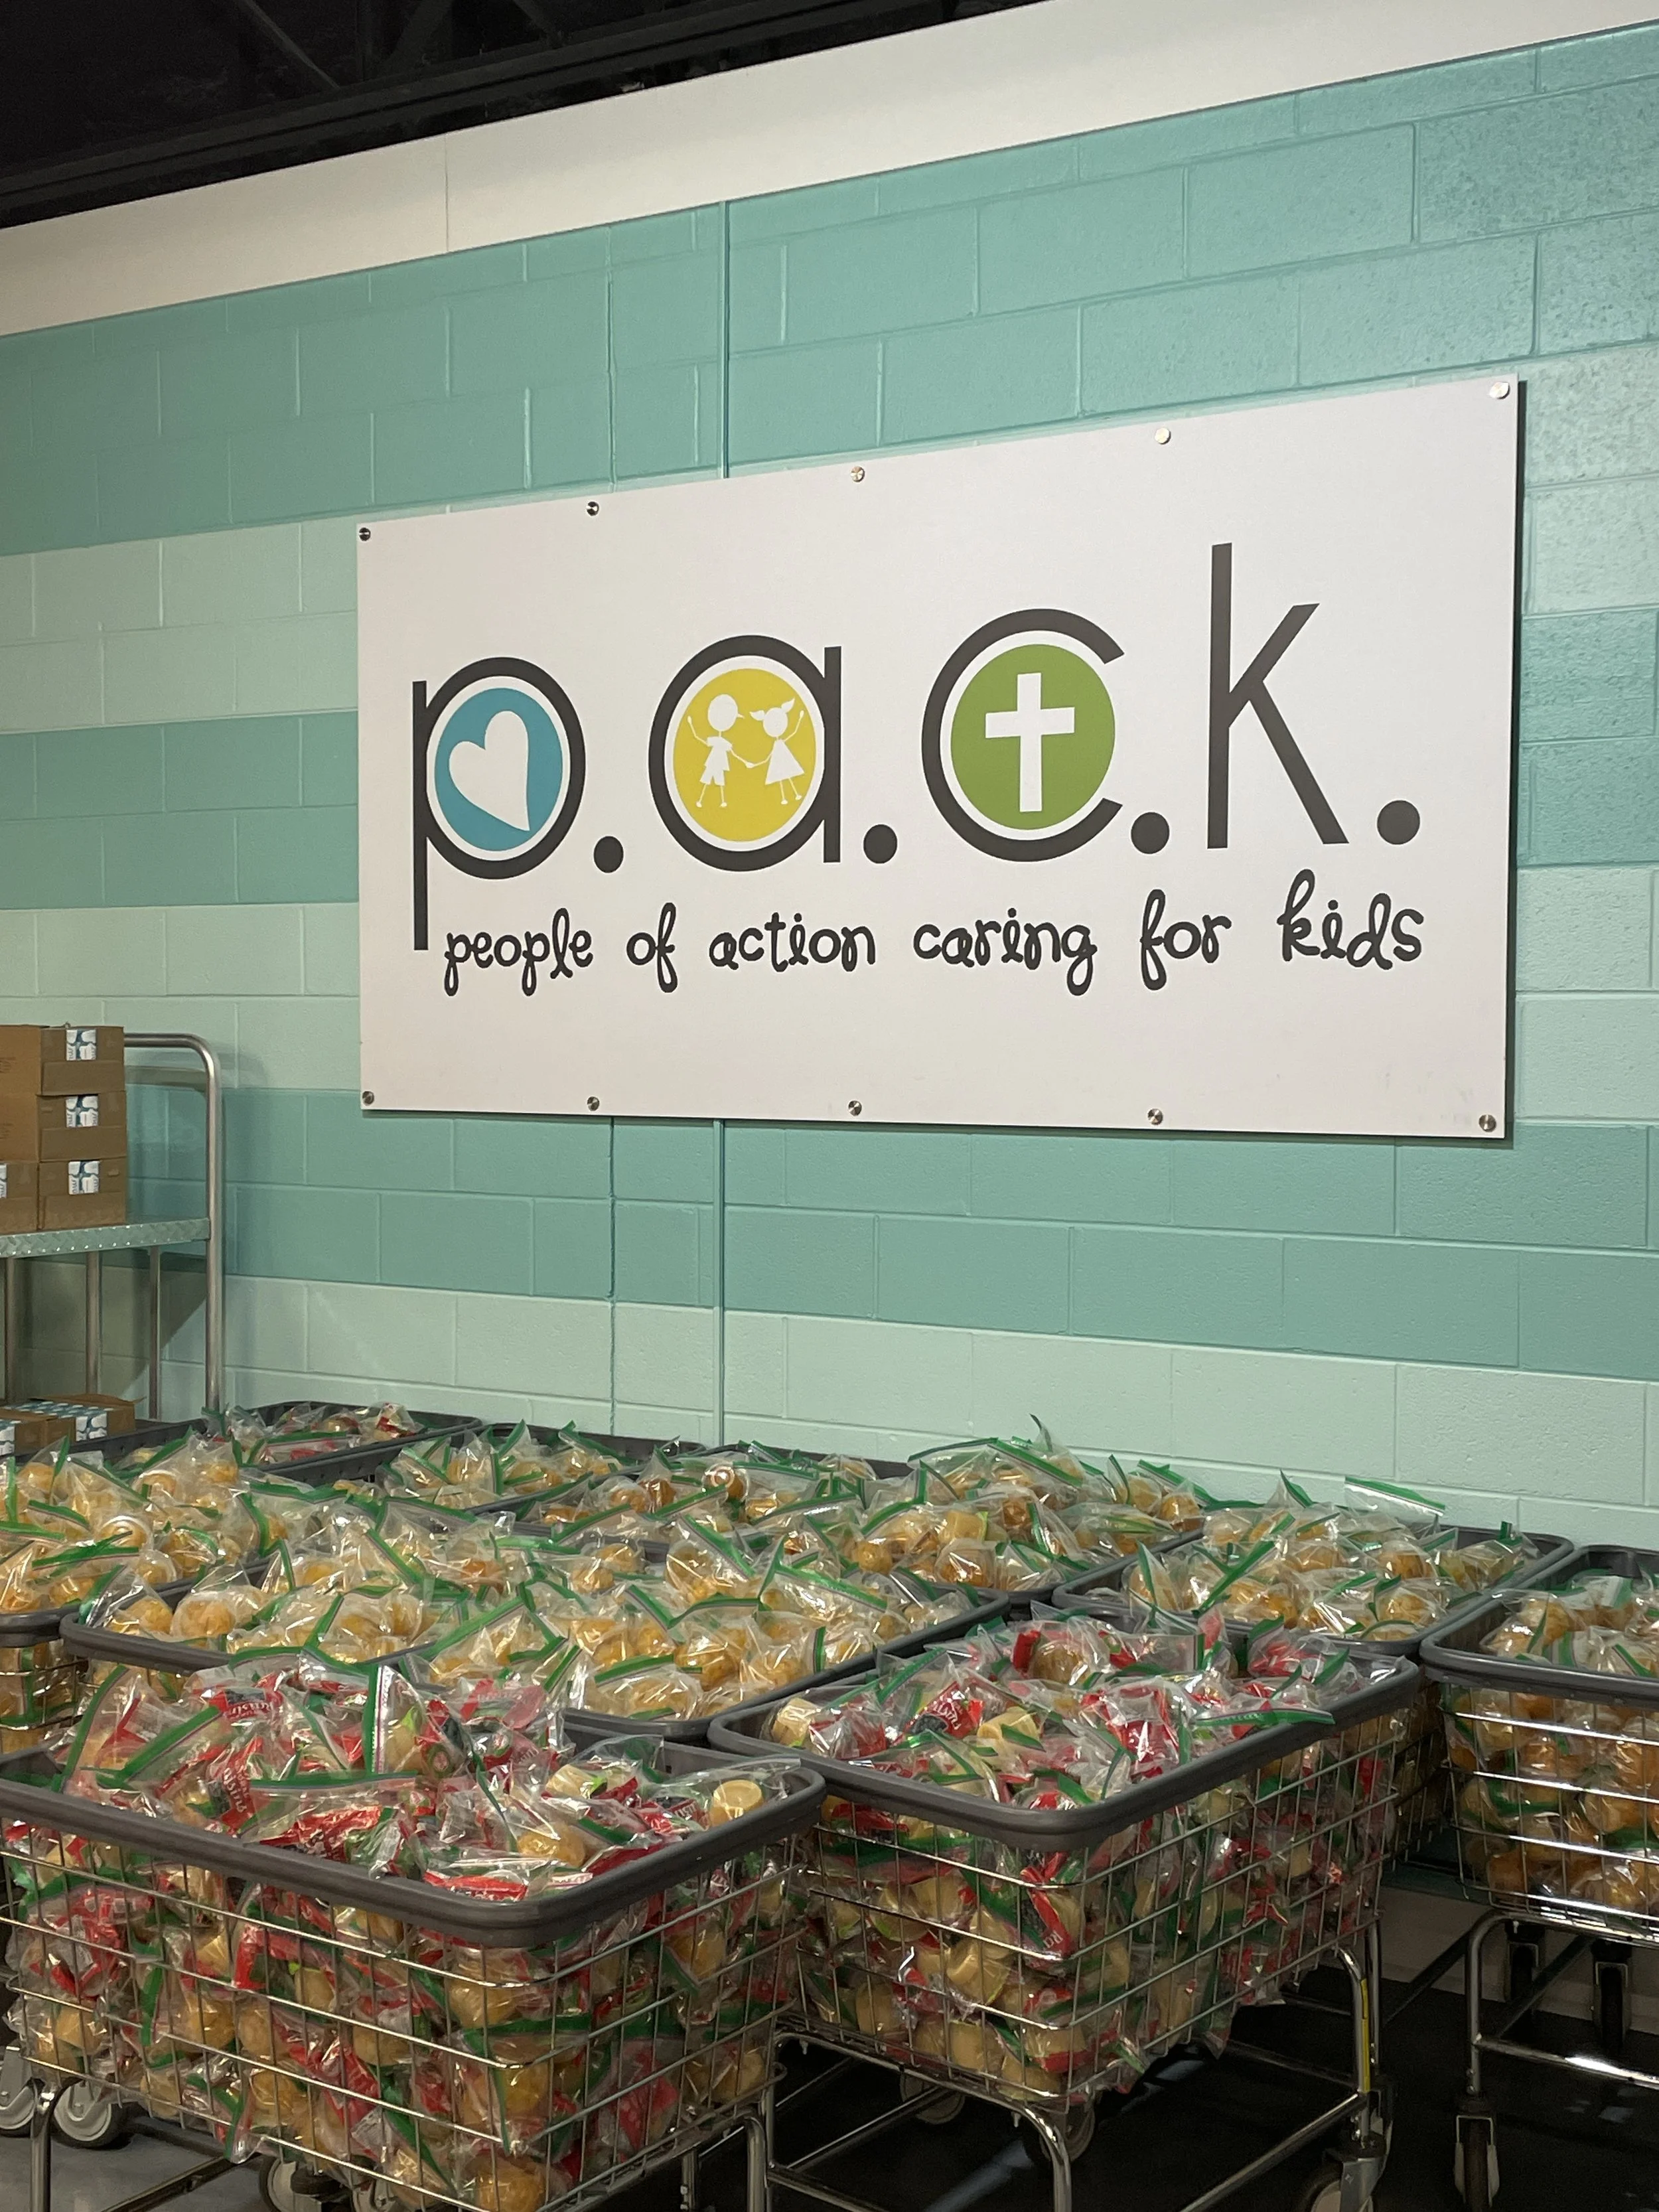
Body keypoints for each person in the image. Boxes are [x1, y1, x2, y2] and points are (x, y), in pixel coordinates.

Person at [755, 700, 806, 806]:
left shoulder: (780, 743)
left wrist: (800, 719)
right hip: (778, 761)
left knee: (787, 776)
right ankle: (785, 797)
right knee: (782, 777)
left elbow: (794, 733)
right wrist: (755, 764)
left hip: (784, 759)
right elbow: (768, 758)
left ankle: (794, 794)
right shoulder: (778, 744)